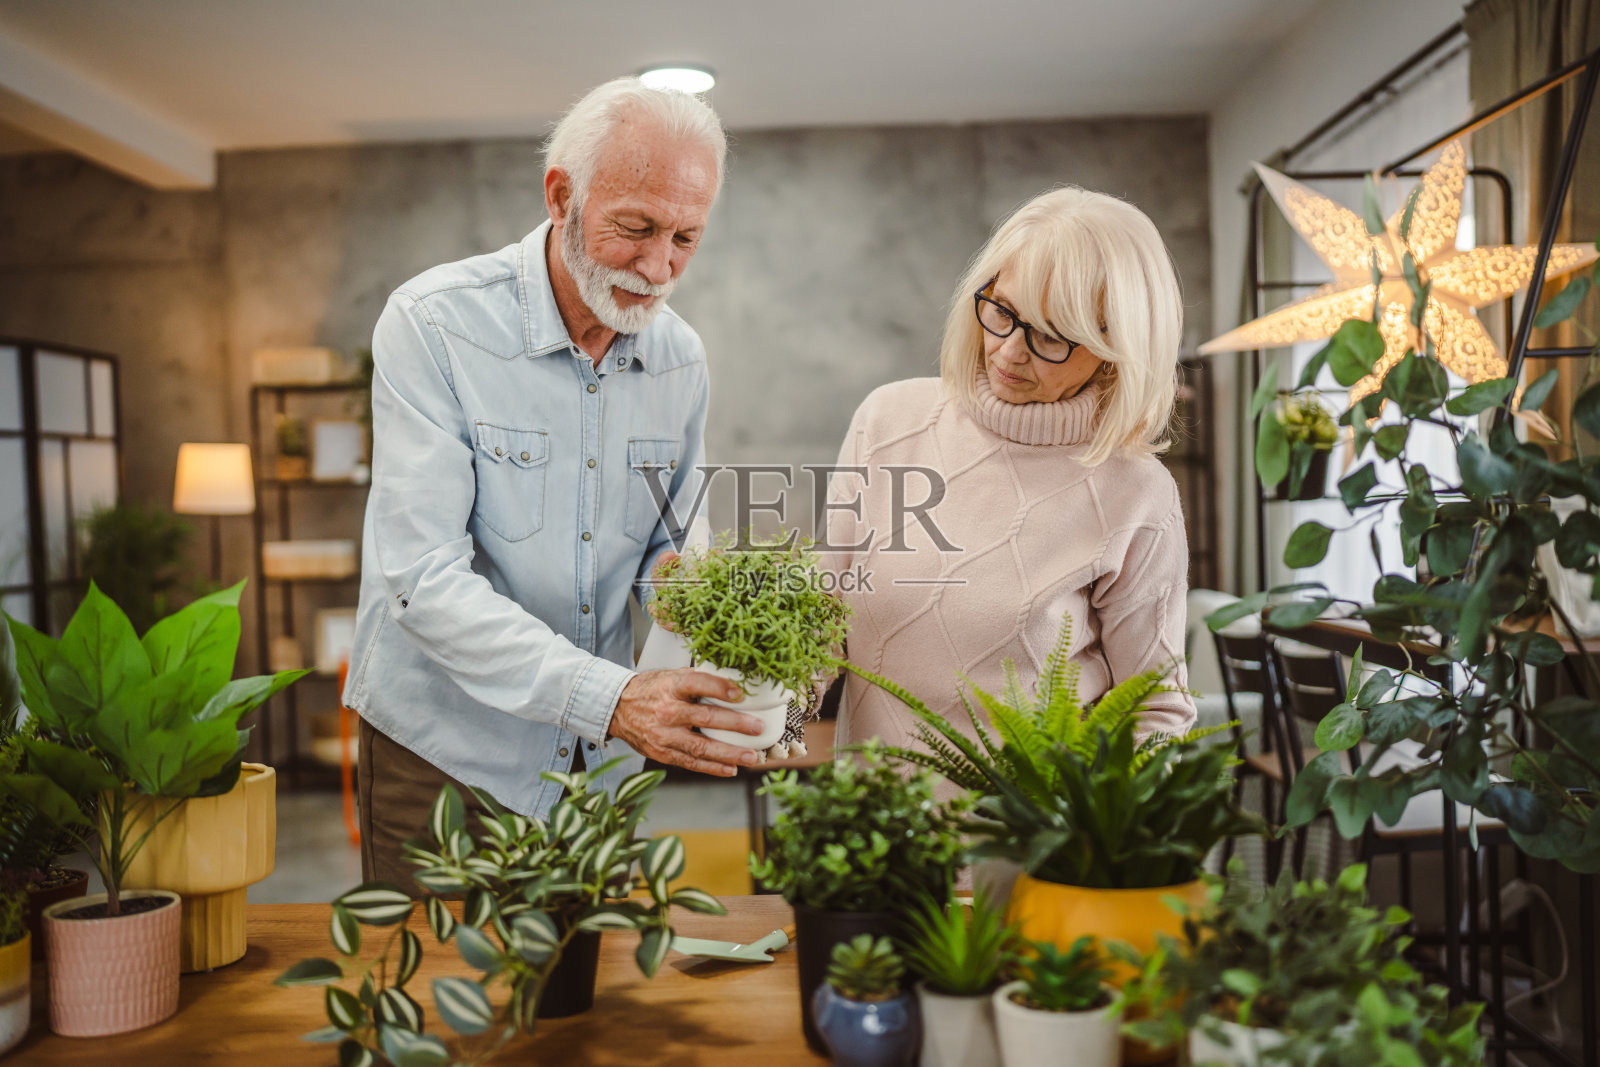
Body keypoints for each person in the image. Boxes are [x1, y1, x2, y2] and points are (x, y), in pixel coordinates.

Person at [343, 78, 766, 889]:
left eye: (686, 237)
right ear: (562, 196)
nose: (658, 266)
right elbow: (422, 580)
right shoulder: (434, 325)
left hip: (597, 764)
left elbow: (671, 543)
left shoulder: (679, 358)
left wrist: (696, 595)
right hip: (448, 754)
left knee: (590, 973)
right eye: (635, 228)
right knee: (444, 971)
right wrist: (611, 699)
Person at [822, 186, 1197, 758]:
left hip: (1037, 814)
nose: (1009, 351)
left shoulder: (1137, 493)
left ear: (1115, 346)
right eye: (1002, 312)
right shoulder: (888, 422)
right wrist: (773, 713)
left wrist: (1110, 812)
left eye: (1051, 335)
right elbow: (825, 617)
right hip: (872, 810)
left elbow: (1156, 709)